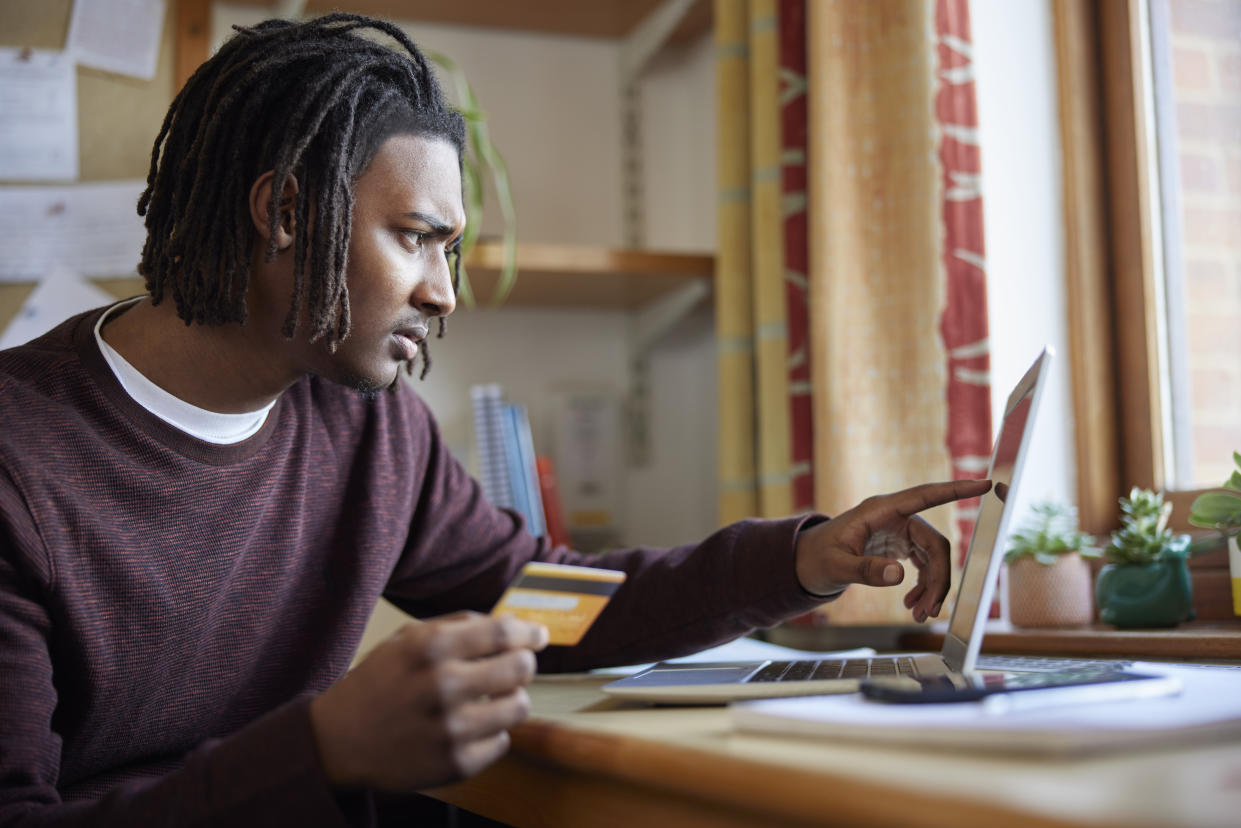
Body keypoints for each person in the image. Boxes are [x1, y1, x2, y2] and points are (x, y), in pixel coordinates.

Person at [0, 13, 990, 827]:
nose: (444, 294)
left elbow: (539, 603)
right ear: (285, 213)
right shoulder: (20, 461)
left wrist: (800, 559)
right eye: (417, 240)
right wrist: (324, 748)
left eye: (451, 252)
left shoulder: (370, 429)